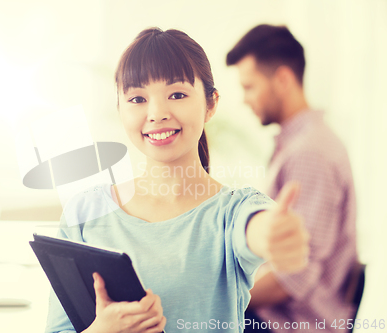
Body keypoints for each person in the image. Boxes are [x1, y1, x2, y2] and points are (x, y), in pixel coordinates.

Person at [45, 27, 309, 333]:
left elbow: (256, 227)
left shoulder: (233, 211)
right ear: (120, 108)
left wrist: (272, 235)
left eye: (178, 94)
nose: (157, 113)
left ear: (211, 104)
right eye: (137, 98)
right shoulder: (83, 213)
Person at [226, 24, 358, 333]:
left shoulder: (310, 153)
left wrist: (216, 296)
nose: (245, 99)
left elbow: (292, 279)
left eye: (249, 87)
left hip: (290, 324)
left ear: (283, 79)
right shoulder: (300, 144)